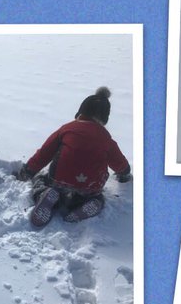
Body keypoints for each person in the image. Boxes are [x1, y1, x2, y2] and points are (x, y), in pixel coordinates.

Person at [13, 87, 132, 228]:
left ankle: (44, 194)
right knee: (96, 196)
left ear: (80, 112)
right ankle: (90, 203)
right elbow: (119, 163)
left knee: (41, 179)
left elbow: (44, 154)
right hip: (90, 186)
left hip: (59, 180)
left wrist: (27, 172)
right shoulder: (106, 139)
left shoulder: (67, 129)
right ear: (104, 119)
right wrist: (124, 174)